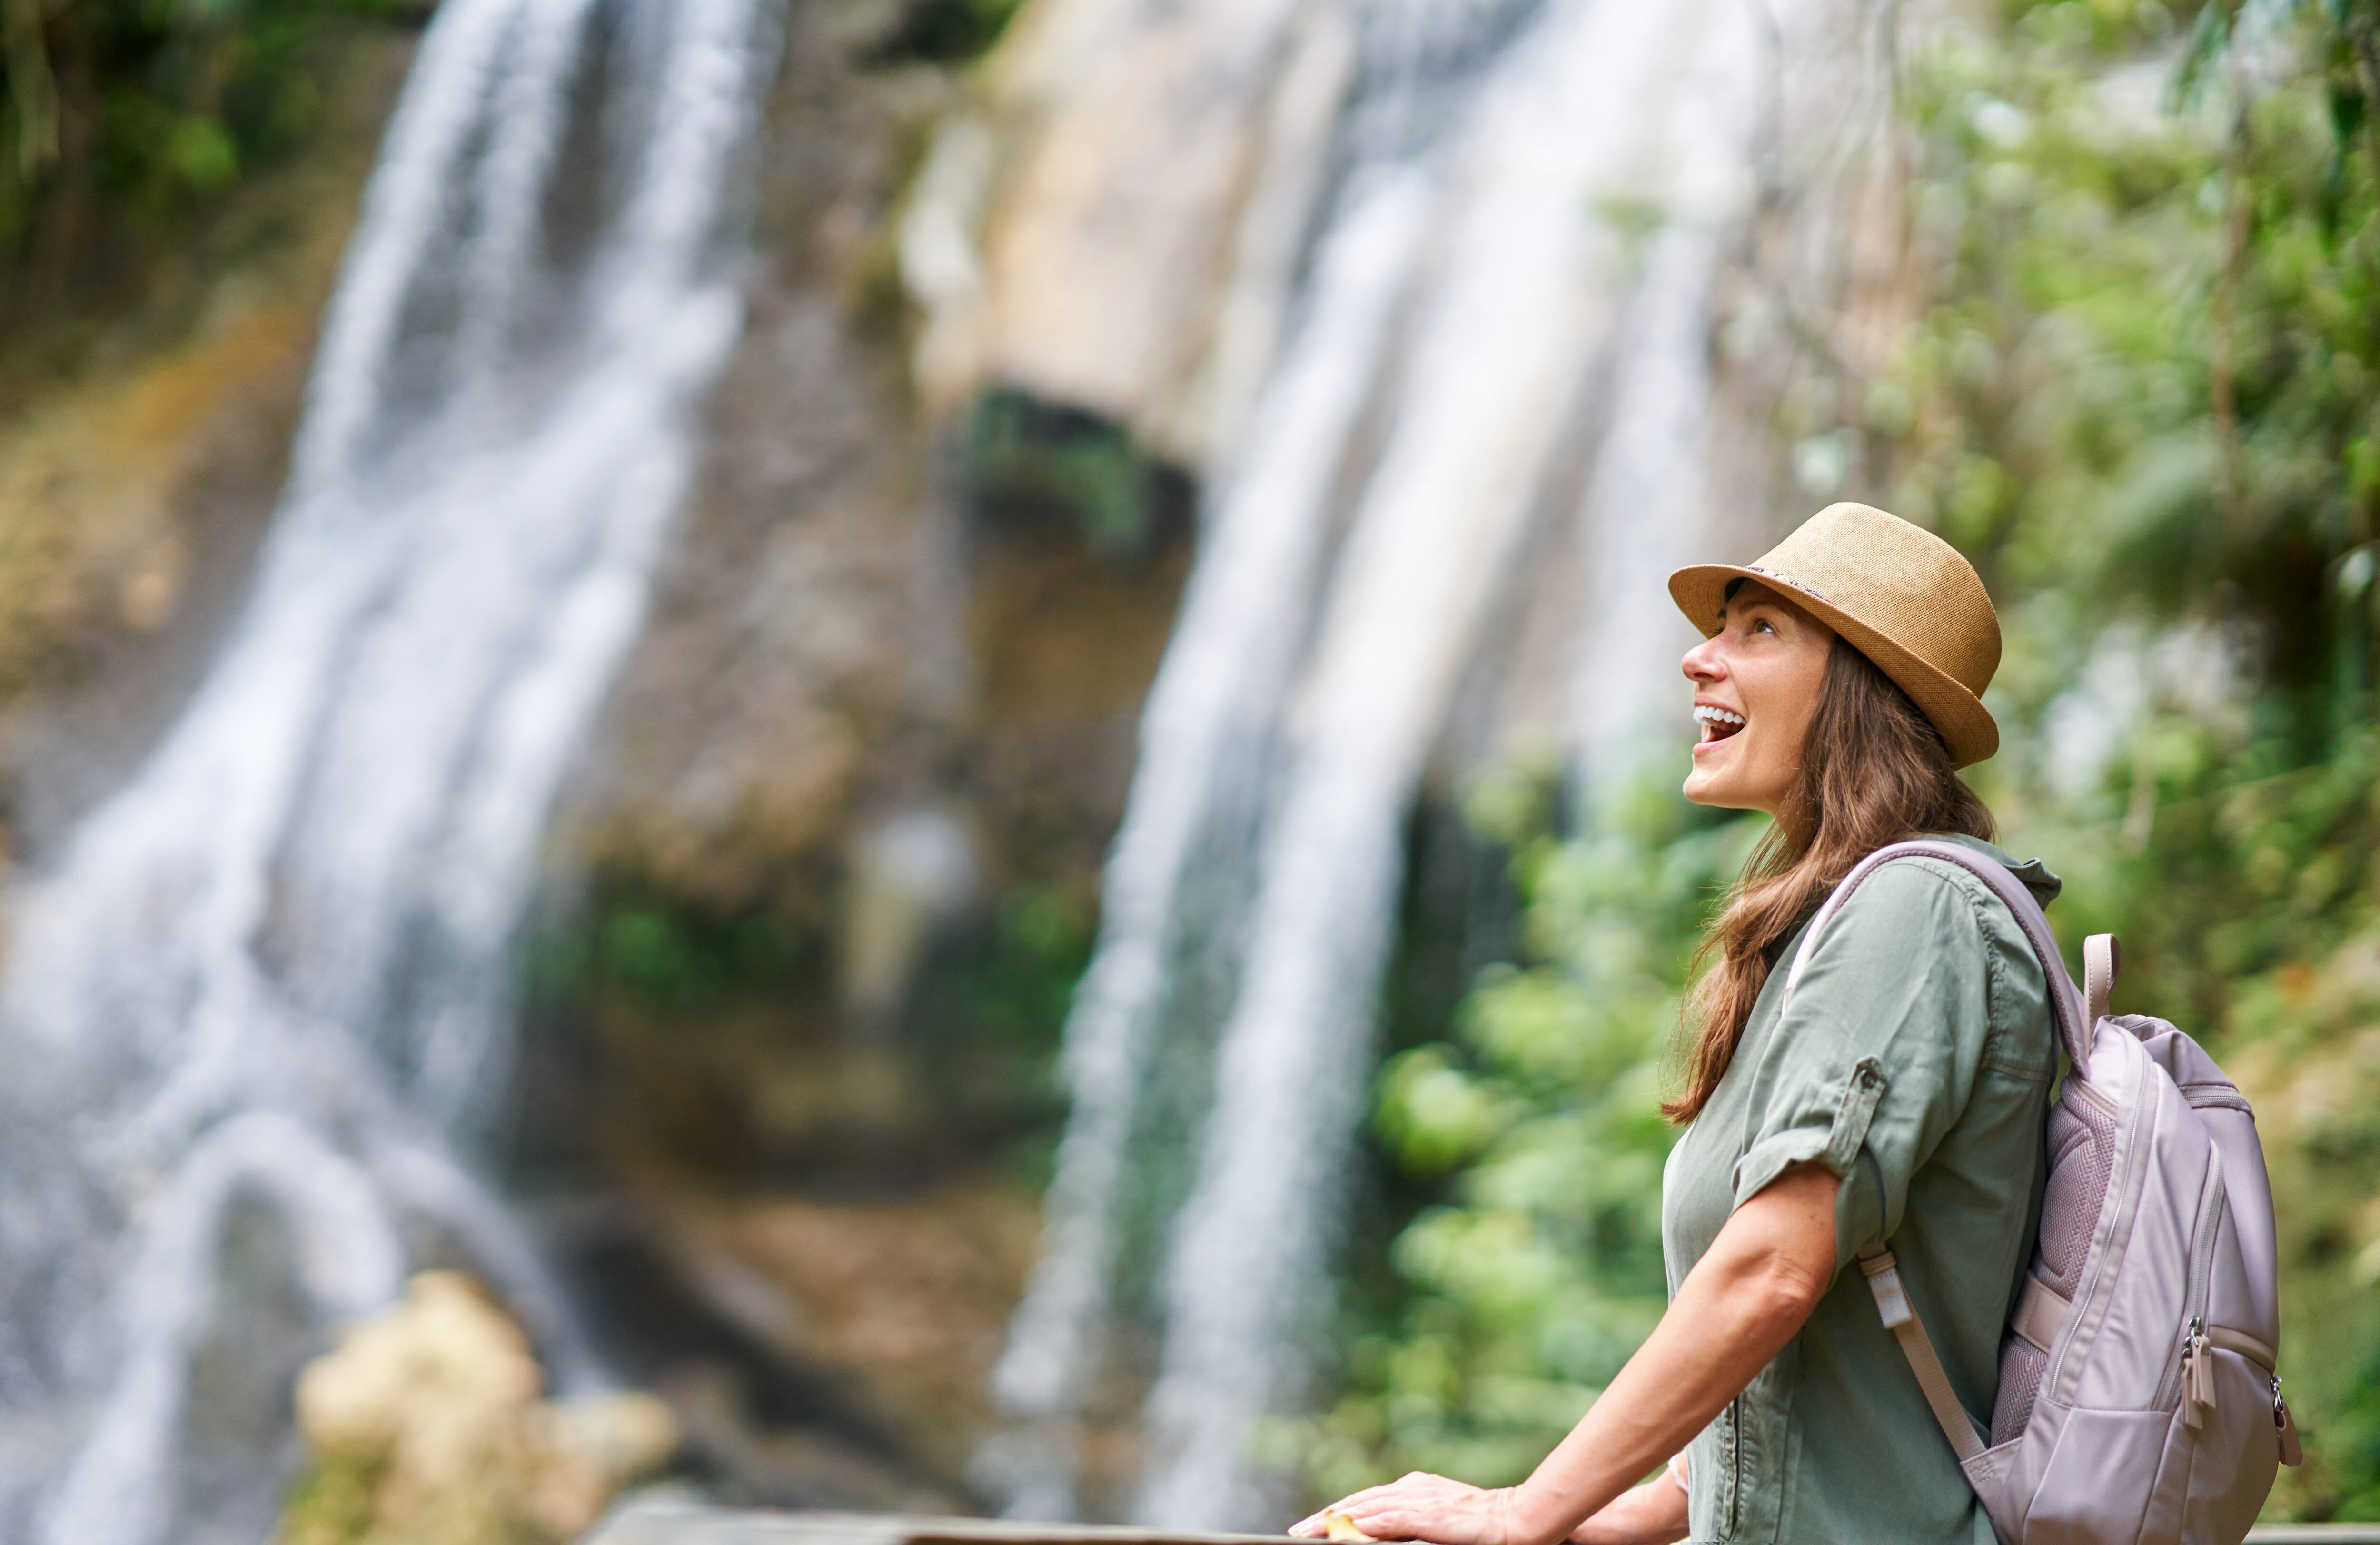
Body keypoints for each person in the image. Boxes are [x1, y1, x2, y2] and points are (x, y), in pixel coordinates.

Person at [1292, 503, 2057, 1545]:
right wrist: (1625, 1517)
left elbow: (1772, 1271)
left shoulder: (1914, 910)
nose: (1699, 660)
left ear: (1862, 691)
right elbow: (1815, 1375)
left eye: (1758, 630)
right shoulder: (1839, 931)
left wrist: (1525, 1512)